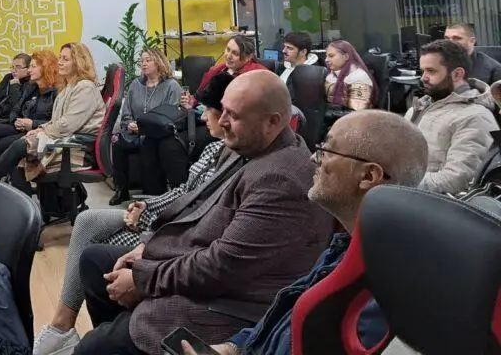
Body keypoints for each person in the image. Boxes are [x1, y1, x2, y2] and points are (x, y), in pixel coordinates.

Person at [72, 71, 334, 355]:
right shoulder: (246, 146)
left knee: (93, 347)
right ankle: (126, 332)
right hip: (199, 262)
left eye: (233, 115)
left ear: (272, 121)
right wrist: (146, 247)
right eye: (223, 110)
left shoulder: (280, 179)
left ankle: (124, 336)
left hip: (229, 305)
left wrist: (143, 279)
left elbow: (221, 267)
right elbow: (192, 206)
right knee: (95, 262)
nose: (222, 121)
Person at [182, 110, 430, 355]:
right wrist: (234, 347)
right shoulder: (348, 248)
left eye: (327, 150)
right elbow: (284, 319)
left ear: (368, 176)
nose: (313, 158)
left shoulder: (378, 294)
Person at [33, 73, 230, 355]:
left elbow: (194, 210)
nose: (203, 115)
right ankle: (62, 327)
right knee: (88, 221)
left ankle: (80, 330)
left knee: (96, 253)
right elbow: (184, 191)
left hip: (171, 229)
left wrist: (149, 218)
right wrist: (145, 206)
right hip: (161, 215)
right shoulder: (213, 149)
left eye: (208, 109)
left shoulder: (232, 163)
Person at [0, 42, 105, 194]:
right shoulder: (69, 87)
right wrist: (40, 129)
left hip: (78, 150)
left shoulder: (85, 87)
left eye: (65, 59)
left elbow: (66, 125)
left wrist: (40, 130)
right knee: (19, 160)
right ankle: (22, 203)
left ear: (78, 62)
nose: (59, 62)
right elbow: (57, 122)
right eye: (60, 58)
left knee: (19, 146)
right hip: (67, 142)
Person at [406, 39, 497, 194]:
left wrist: (397, 182)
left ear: (457, 74)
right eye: (422, 71)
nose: (423, 78)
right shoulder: (419, 107)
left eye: (431, 71)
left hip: (429, 202)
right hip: (405, 193)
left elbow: (455, 181)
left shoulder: (475, 117)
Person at [110, 48, 182, 205]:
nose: (143, 64)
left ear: (159, 62)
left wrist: (145, 128)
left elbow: (170, 118)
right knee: (116, 142)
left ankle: (153, 190)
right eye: (142, 60)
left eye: (148, 60)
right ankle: (121, 189)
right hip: (134, 131)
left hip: (157, 134)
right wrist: (130, 124)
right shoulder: (135, 85)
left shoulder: (171, 86)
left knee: (147, 143)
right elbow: (126, 113)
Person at [0, 50, 59, 173]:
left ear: (45, 68)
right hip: (20, 127)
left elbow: (55, 122)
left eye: (33, 67)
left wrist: (32, 124)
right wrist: (16, 120)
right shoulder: (31, 86)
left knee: (1, 144)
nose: (29, 70)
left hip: (38, 131)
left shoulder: (56, 92)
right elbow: (16, 108)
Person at [196, 35, 267, 94]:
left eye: (235, 53)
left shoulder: (259, 75)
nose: (228, 56)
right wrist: (192, 101)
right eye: (228, 49)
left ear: (248, 57)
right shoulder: (218, 69)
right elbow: (199, 96)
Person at [324, 40, 375, 111]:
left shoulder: (358, 77)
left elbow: (357, 111)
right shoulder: (332, 75)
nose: (326, 60)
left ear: (346, 57)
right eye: (326, 56)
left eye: (331, 56)